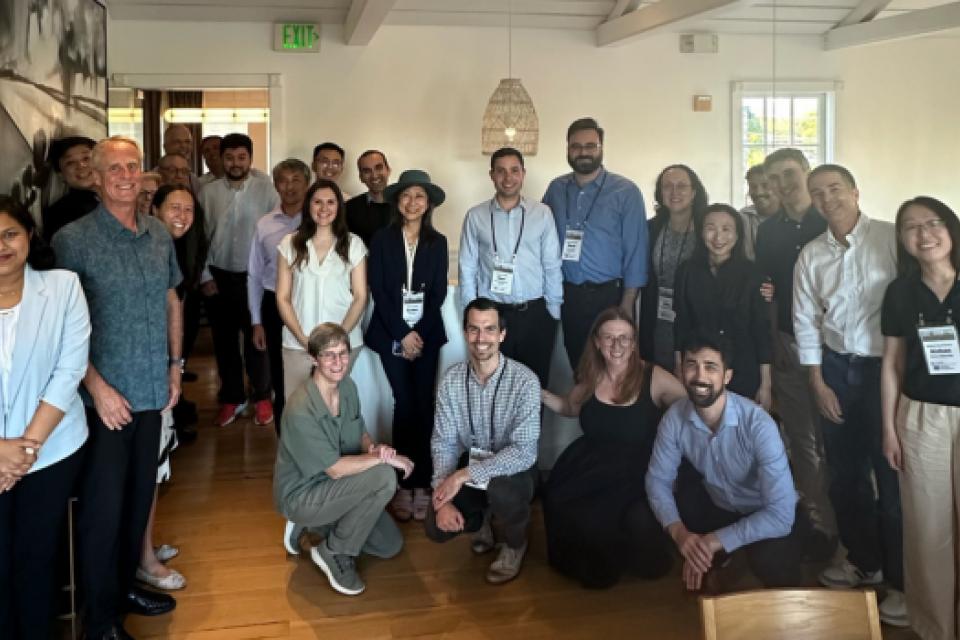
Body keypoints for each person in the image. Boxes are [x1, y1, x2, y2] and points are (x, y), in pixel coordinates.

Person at [53, 136, 182, 639]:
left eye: (133, 166)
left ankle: (125, 585)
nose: (126, 175)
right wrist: (98, 389)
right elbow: (62, 329)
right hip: (103, 403)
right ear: (97, 178)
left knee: (137, 500)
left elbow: (171, 300)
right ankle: (100, 621)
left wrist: (175, 367)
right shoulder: (73, 240)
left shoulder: (156, 233)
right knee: (103, 513)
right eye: (115, 169)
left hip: (153, 391)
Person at [793, 163, 905, 625]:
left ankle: (901, 580)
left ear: (855, 192)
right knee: (845, 476)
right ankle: (864, 560)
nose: (827, 199)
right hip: (837, 370)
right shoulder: (810, 255)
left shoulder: (891, 239)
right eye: (817, 193)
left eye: (835, 189)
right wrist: (817, 382)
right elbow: (804, 321)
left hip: (887, 369)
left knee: (892, 477)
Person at [646, 334, 805, 591]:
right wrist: (680, 534)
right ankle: (728, 561)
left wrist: (714, 541)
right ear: (681, 371)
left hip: (766, 510)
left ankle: (737, 559)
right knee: (671, 523)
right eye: (691, 364)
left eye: (710, 366)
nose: (699, 375)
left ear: (727, 376)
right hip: (720, 504)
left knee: (774, 563)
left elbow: (781, 515)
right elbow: (657, 481)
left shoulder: (758, 424)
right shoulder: (674, 418)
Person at [541, 307, 685, 589]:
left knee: (625, 519)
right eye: (609, 338)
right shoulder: (592, 375)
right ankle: (596, 568)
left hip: (639, 468)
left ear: (633, 343)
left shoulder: (654, 377)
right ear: (596, 341)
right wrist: (540, 393)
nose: (617, 345)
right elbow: (570, 407)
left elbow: (690, 412)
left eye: (624, 338)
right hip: (592, 461)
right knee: (559, 498)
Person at [0, 195, 90, 640]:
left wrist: (25, 449)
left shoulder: (63, 286)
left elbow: (69, 371)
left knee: (35, 559)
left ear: (29, 235)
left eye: (9, 233)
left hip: (51, 450)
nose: (1, 245)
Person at [275, 323, 411, 596]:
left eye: (343, 353)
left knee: (389, 545)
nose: (338, 362)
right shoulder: (300, 409)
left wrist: (375, 448)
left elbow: (359, 431)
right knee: (384, 476)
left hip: (338, 486)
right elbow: (336, 470)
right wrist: (384, 461)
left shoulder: (347, 386)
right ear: (314, 359)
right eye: (328, 355)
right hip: (305, 492)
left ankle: (318, 523)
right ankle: (333, 551)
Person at [881, 196, 960, 638]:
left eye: (933, 224)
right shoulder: (900, 292)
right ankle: (936, 628)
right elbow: (892, 363)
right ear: (902, 239)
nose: (924, 234)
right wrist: (889, 428)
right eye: (911, 227)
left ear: (951, 230)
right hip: (921, 416)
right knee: (928, 528)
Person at [425, 298, 541, 585]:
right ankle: (481, 522)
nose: (481, 339)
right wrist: (442, 498)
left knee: (502, 490)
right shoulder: (451, 381)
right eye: (474, 329)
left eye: (489, 330)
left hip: (514, 471)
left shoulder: (525, 381)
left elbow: (524, 452)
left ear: (502, 335)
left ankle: (515, 544)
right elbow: (443, 442)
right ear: (465, 333)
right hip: (472, 461)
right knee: (434, 527)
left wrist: (462, 477)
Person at [755, 148, 835, 544]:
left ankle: (853, 528)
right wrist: (773, 346)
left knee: (837, 438)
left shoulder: (831, 221)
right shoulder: (769, 231)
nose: (783, 186)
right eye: (774, 180)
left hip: (834, 346)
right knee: (803, 441)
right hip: (788, 343)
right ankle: (822, 529)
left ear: (805, 171)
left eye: (788, 174)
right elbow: (768, 292)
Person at [366, 169, 449, 522]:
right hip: (390, 333)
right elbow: (380, 291)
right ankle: (405, 481)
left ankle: (426, 483)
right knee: (404, 404)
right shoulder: (383, 239)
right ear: (397, 202)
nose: (412, 202)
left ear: (427, 203)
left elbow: (438, 294)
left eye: (419, 196)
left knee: (425, 405)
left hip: (427, 334)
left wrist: (419, 334)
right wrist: (402, 333)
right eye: (406, 196)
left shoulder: (438, 241)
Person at [135, 184, 203, 594]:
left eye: (188, 209)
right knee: (147, 469)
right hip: (142, 376)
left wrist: (175, 366)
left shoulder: (168, 250)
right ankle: (142, 558)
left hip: (161, 371)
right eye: (173, 207)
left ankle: (144, 547)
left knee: (155, 466)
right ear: (153, 209)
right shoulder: (147, 247)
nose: (181, 215)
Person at [542, 117, 648, 370]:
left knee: (613, 369)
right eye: (576, 146)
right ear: (567, 149)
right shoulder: (556, 189)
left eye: (591, 146)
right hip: (568, 296)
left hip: (609, 296)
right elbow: (540, 238)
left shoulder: (625, 192)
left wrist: (627, 304)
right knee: (579, 366)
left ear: (601, 148)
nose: (583, 152)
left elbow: (636, 250)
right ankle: (585, 411)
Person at [460, 147, 563, 387]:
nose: (508, 178)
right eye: (501, 171)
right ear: (492, 175)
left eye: (514, 170)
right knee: (491, 383)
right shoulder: (476, 216)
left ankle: (530, 427)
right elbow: (467, 266)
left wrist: (552, 314)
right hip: (491, 315)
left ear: (523, 174)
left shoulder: (542, 214)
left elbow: (552, 264)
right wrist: (470, 314)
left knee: (534, 385)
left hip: (535, 314)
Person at [199, 133, 280, 427]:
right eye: (230, 157)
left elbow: (275, 235)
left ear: (250, 158)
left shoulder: (267, 190)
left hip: (254, 277)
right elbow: (202, 236)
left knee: (258, 340)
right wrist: (205, 274)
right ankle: (232, 397)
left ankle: (261, 396)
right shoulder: (208, 193)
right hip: (218, 277)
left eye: (241, 157)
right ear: (221, 158)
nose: (235, 163)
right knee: (224, 342)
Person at [276, 179, 367, 400]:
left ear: (339, 207)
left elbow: (360, 296)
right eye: (317, 202)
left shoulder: (353, 244)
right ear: (308, 205)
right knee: (298, 408)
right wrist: (304, 340)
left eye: (330, 202)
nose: (324, 208)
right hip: (298, 344)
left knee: (336, 406)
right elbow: (283, 297)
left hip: (344, 344)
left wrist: (338, 339)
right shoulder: (290, 243)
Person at [673, 204, 772, 407]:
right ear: (701, 232)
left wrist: (766, 384)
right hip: (700, 367)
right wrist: (679, 366)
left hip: (743, 366)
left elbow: (761, 330)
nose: (718, 237)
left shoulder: (753, 274)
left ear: (737, 235)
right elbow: (681, 322)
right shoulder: (686, 271)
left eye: (727, 229)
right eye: (710, 228)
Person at [249, 159, 311, 427]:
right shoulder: (264, 224)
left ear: (307, 184)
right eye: (284, 180)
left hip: (309, 305)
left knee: (312, 369)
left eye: (296, 180)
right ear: (275, 185)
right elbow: (254, 274)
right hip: (274, 305)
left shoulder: (318, 221)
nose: (290, 186)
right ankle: (284, 436)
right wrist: (256, 321)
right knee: (280, 370)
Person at [639, 164, 708, 371]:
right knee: (660, 376)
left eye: (681, 186)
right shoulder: (650, 228)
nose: (674, 192)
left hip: (697, 317)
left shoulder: (707, 226)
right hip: (658, 317)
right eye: (667, 186)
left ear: (694, 192)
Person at [42, 135, 98, 243]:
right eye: (70, 163)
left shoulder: (123, 196)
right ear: (60, 175)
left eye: (86, 158)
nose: (81, 165)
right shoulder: (58, 214)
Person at [345, 150, 392, 247]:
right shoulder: (348, 209)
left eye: (378, 168)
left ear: (388, 170)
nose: (374, 175)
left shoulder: (405, 206)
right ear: (361, 177)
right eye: (367, 171)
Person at [739, 164, 781, 261]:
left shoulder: (792, 217)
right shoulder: (741, 218)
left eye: (765, 186)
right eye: (753, 187)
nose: (758, 192)